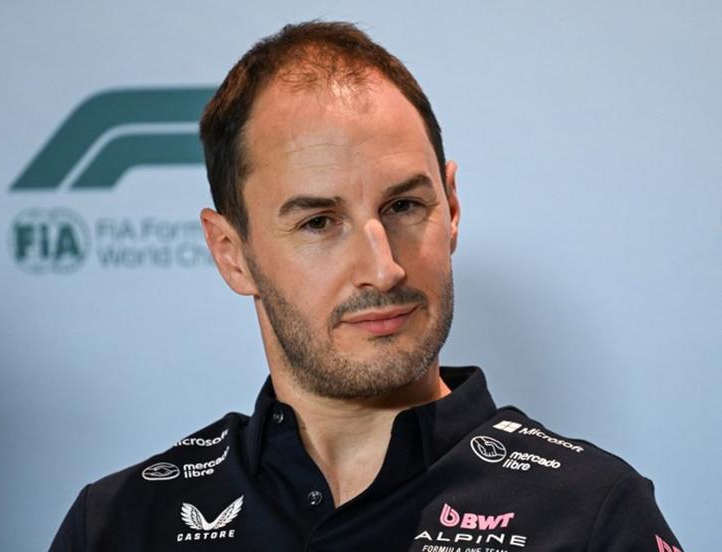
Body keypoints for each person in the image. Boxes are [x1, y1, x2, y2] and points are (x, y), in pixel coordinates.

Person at [50, 21, 682, 551]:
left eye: (405, 206)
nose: (384, 270)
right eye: (319, 222)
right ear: (231, 253)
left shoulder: (590, 513)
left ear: (452, 208)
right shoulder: (121, 524)